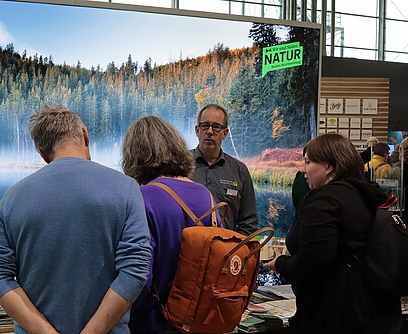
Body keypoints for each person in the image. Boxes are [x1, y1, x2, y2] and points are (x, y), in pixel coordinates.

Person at [0, 105, 151, 333]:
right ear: (85, 135)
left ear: (42, 153)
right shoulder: (126, 189)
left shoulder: (12, 198)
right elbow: (135, 270)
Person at [264, 133, 401, 333]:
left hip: (335, 316)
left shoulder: (324, 202)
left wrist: (281, 264)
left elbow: (313, 262)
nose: (303, 170)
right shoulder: (368, 194)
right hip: (379, 312)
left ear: (329, 166)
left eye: (309, 162)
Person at [121, 116, 220, 333]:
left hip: (154, 323)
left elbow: (140, 278)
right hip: (200, 323)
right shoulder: (207, 196)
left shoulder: (143, 198)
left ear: (135, 155)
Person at [189, 104, 258, 235]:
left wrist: (234, 250)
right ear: (197, 130)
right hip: (186, 251)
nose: (209, 131)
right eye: (205, 126)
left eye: (216, 127)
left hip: (225, 252)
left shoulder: (239, 171)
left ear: (225, 133)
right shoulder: (179, 164)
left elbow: (249, 222)